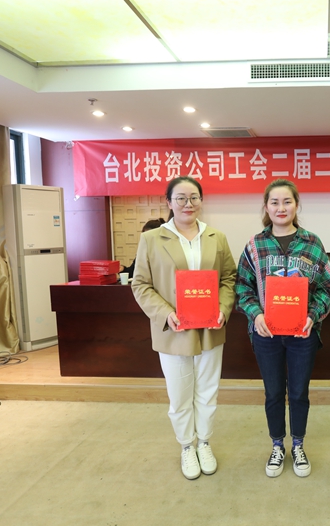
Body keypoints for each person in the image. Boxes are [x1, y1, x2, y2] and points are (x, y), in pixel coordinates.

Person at [132, 176, 236, 481]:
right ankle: (187, 446)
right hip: (174, 330)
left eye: (194, 197)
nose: (188, 204)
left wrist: (223, 308)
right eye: (180, 198)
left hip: (210, 328)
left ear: (201, 201)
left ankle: (204, 442)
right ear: (169, 202)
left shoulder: (216, 237)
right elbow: (141, 284)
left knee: (207, 392)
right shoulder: (151, 239)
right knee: (179, 395)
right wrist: (165, 313)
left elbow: (229, 278)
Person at [235, 179, 330, 478]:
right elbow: (242, 287)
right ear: (266, 207)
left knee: (298, 393)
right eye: (275, 202)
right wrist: (255, 314)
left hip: (302, 335)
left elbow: (329, 287)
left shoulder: (312, 243)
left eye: (287, 201)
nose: (281, 208)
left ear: (296, 205)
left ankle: (298, 445)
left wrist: (313, 315)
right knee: (273, 393)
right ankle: (277, 445)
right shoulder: (254, 245)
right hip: (266, 335)